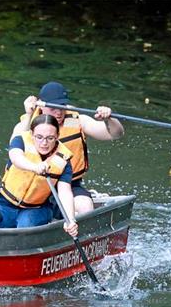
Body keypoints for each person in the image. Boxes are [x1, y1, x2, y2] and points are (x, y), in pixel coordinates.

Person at [12, 81, 125, 215]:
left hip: (68, 184)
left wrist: (108, 119)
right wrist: (29, 115)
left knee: (85, 207)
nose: (59, 112)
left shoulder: (73, 121)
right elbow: (15, 144)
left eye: (62, 106)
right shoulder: (30, 124)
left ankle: (77, 230)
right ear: (41, 105)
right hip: (34, 185)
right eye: (53, 108)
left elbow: (116, 134)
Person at [0, 114, 79, 238]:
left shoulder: (64, 159)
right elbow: (16, 157)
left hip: (36, 208)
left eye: (50, 138)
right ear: (32, 134)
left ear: (57, 137)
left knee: (24, 232)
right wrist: (35, 167)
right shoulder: (20, 140)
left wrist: (70, 220)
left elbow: (65, 192)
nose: (44, 143)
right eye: (39, 137)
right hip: (5, 203)